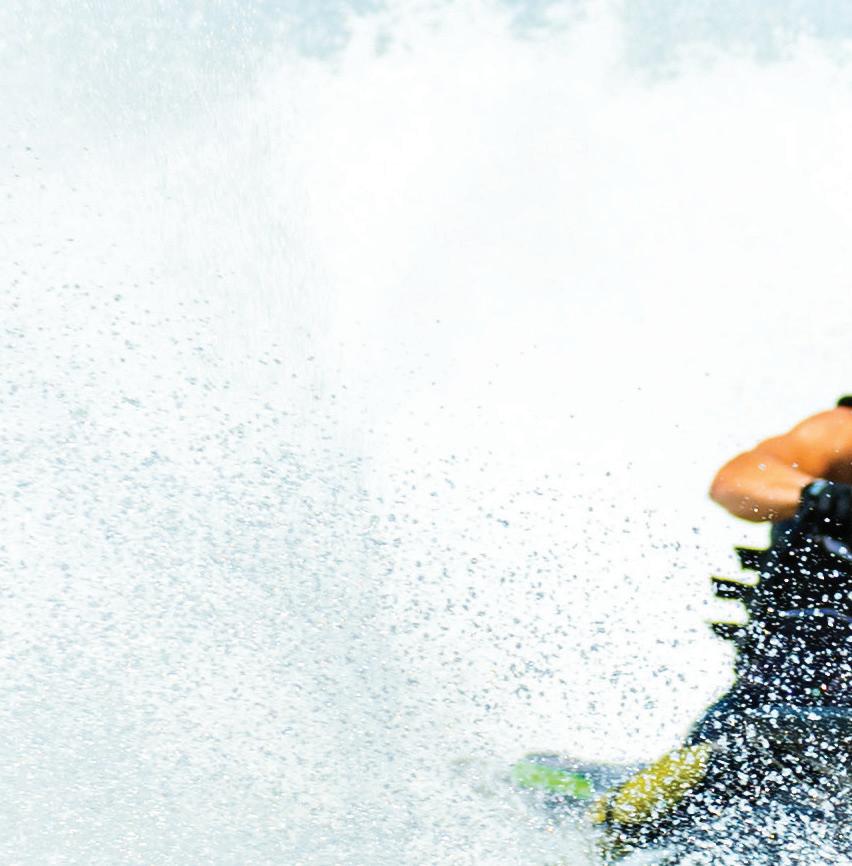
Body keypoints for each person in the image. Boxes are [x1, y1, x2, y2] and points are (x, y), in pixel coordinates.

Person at [591, 396, 852, 860]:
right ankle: (634, 815)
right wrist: (820, 497)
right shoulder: (842, 433)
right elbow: (739, 480)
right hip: (768, 724)